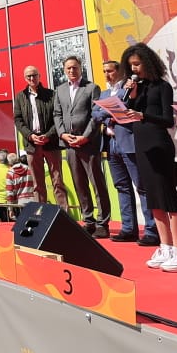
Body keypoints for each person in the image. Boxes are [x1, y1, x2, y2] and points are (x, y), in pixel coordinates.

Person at [123, 43, 177, 272]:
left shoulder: (162, 86)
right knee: (153, 200)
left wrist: (143, 114)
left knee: (168, 197)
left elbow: (167, 119)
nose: (134, 69)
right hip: (141, 146)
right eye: (131, 65)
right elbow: (126, 110)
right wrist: (131, 93)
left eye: (137, 64)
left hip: (159, 144)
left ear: (147, 62)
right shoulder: (137, 88)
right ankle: (165, 246)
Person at [95, 56, 159, 246]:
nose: (107, 74)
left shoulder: (128, 88)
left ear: (120, 71)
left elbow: (131, 109)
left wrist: (112, 113)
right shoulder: (105, 93)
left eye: (111, 70)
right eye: (105, 71)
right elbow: (95, 113)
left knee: (140, 185)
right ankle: (128, 228)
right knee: (121, 186)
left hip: (128, 141)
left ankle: (151, 229)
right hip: (111, 143)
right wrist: (110, 115)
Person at [52, 55, 112, 238]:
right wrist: (62, 134)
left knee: (97, 183)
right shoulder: (60, 90)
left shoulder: (91, 88)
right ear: (64, 70)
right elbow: (57, 114)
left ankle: (103, 222)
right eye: (68, 68)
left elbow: (96, 116)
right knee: (79, 184)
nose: (72, 71)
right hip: (69, 145)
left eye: (75, 67)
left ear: (81, 68)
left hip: (88, 144)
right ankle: (89, 220)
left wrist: (85, 137)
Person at [14, 66, 70, 209]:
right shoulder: (20, 97)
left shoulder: (52, 94)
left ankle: (63, 214)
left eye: (34, 75)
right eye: (28, 76)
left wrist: (48, 135)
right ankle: (41, 214)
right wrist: (30, 135)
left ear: (39, 76)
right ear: (25, 78)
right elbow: (18, 120)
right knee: (37, 184)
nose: (32, 79)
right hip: (32, 145)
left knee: (57, 180)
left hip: (51, 143)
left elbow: (58, 117)